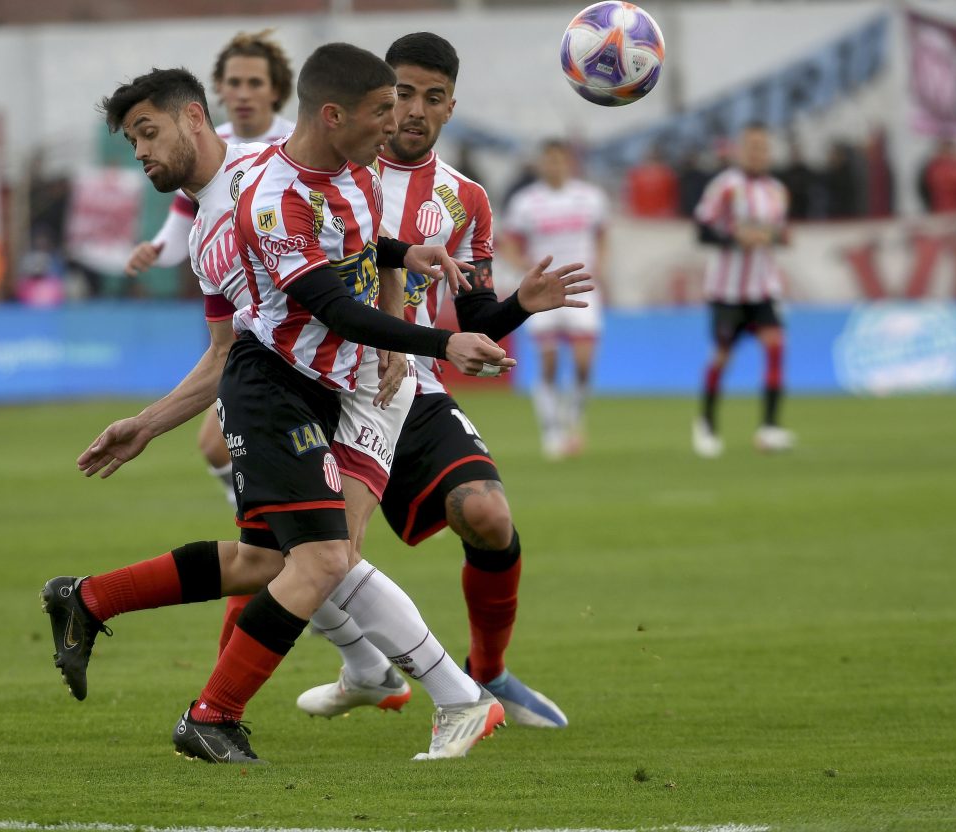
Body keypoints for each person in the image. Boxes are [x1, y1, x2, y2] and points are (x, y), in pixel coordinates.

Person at [42, 55, 569, 764]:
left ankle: (97, 603)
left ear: (196, 118)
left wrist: (406, 262)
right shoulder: (228, 223)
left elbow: (355, 251)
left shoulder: (302, 167)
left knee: (281, 561)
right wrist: (151, 422)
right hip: (296, 387)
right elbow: (260, 335)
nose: (139, 152)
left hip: (355, 384)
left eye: (147, 133)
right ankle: (435, 693)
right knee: (318, 559)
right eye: (387, 106)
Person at [295, 33, 586, 729]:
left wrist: (519, 305)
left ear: (452, 107)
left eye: (432, 97)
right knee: (297, 555)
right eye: (401, 92)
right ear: (377, 94)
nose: (414, 110)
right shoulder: (329, 173)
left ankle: (490, 672)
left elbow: (477, 319)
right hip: (321, 385)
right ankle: (357, 670)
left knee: (487, 514)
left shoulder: (465, 200)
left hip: (412, 385)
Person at [127, 30, 296, 521]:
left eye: (253, 82)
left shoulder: (294, 149)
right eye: (232, 82)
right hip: (260, 343)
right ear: (216, 92)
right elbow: (184, 230)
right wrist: (156, 251)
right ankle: (253, 513)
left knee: (309, 556)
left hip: (310, 343)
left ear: (275, 90)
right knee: (218, 449)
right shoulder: (201, 153)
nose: (242, 92)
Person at [501, 140, 608, 458]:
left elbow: (603, 235)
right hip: (544, 293)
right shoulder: (526, 202)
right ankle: (551, 429)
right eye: (548, 161)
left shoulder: (591, 198)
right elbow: (508, 242)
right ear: (541, 164)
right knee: (548, 364)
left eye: (560, 160)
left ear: (569, 162)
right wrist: (528, 270)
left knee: (584, 363)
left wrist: (600, 264)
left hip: (583, 287)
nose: (554, 166)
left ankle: (573, 414)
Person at [692, 122, 794, 458]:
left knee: (776, 347)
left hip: (764, 287)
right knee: (722, 356)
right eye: (751, 146)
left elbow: (780, 234)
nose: (757, 153)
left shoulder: (777, 190)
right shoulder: (725, 187)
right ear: (740, 149)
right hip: (727, 291)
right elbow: (702, 231)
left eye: (763, 147)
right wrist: (734, 238)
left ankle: (769, 428)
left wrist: (776, 238)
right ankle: (706, 423)